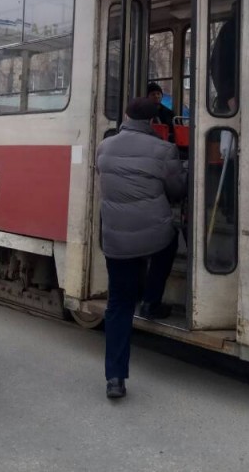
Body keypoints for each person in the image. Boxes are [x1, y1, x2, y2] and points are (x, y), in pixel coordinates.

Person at [96, 97, 187, 399]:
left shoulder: (105, 147)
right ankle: (151, 300)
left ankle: (115, 378)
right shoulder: (164, 150)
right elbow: (176, 190)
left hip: (115, 238)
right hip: (153, 235)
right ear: (153, 122)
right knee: (171, 240)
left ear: (125, 116)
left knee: (118, 305)